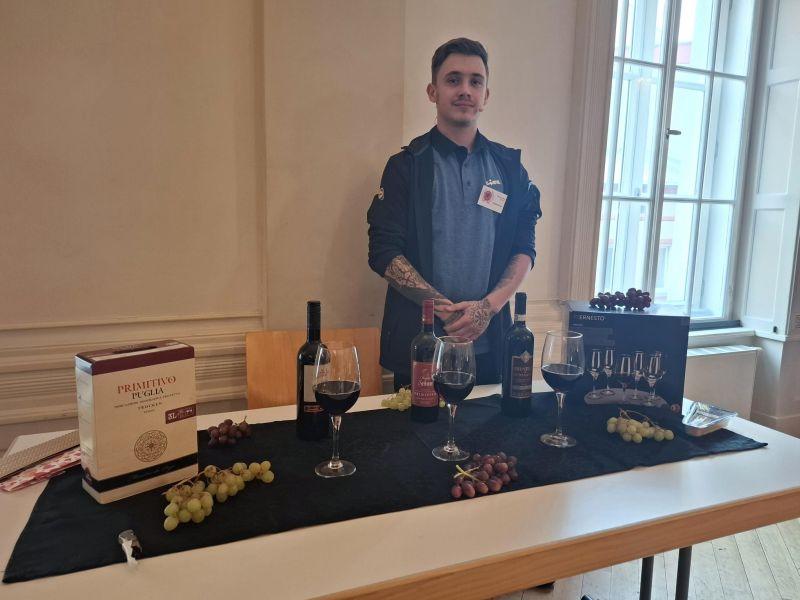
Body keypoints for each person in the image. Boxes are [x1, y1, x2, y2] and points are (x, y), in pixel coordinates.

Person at [367, 37, 542, 391]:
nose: (465, 90)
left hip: (489, 349)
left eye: (475, 81)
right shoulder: (406, 167)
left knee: (486, 429)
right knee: (414, 428)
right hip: (421, 346)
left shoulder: (510, 169)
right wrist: (441, 308)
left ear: (486, 95)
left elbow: (524, 247)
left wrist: (486, 309)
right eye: (453, 80)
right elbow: (382, 251)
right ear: (432, 91)